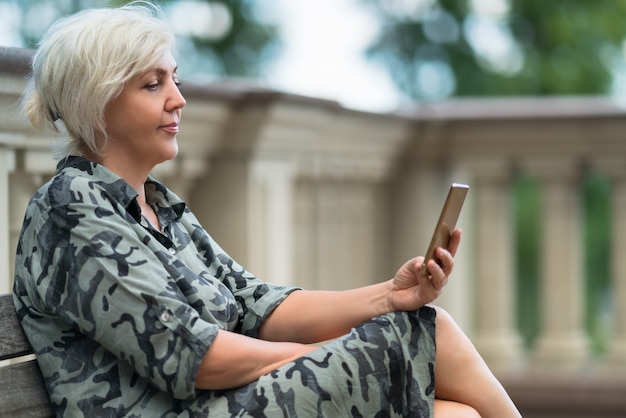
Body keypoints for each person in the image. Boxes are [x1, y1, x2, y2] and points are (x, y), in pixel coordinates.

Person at [13, 2, 521, 417]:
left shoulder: (159, 206)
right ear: (96, 101)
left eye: (176, 80)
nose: (178, 100)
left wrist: (391, 295)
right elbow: (196, 358)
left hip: (221, 405)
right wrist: (338, 356)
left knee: (455, 408)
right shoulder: (71, 209)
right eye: (153, 85)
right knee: (426, 336)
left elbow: (261, 306)